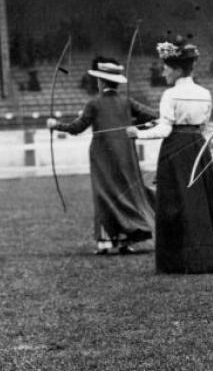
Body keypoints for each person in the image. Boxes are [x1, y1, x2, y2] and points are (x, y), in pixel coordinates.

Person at [128, 36, 213, 274]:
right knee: (200, 201)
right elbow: (203, 127)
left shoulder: (170, 95)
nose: (164, 73)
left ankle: (180, 261)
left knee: (175, 204)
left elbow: (165, 129)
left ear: (178, 69)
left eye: (167, 68)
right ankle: (210, 256)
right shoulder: (205, 92)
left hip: (175, 150)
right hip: (198, 148)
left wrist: (136, 133)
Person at [48, 57, 156, 255]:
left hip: (102, 157)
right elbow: (154, 115)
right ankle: (125, 240)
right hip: (126, 156)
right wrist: (137, 121)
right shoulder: (126, 102)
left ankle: (106, 242)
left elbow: (76, 128)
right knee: (125, 192)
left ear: (101, 82)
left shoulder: (94, 104)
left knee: (104, 194)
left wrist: (56, 125)